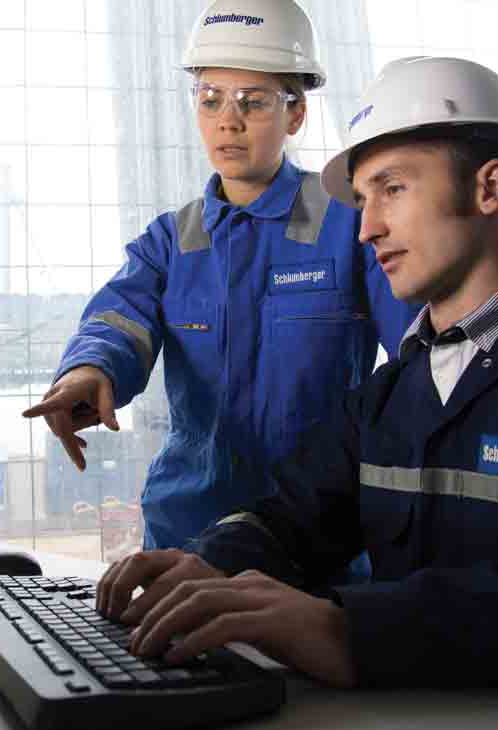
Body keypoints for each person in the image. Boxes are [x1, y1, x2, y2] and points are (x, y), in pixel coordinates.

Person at [95, 55, 498, 689]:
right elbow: (296, 514)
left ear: (488, 188)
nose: (366, 229)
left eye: (393, 188)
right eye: (363, 200)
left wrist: (348, 629)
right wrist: (207, 564)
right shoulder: (391, 400)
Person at [22, 0, 420, 553]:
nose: (227, 121)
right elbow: (117, 320)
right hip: (188, 529)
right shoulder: (171, 242)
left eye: (252, 102)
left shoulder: (349, 225)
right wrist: (89, 370)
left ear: (296, 114)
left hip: (318, 532)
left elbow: (421, 353)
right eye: (210, 100)